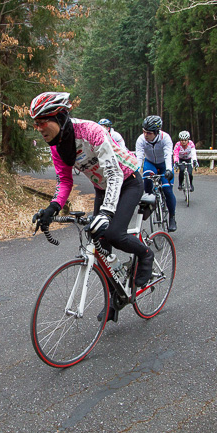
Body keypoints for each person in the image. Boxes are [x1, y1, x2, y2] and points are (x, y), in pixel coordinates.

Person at [29, 92, 153, 321]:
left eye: (42, 121)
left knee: (114, 233)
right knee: (100, 243)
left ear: (58, 117)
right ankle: (114, 300)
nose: (38, 127)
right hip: (102, 188)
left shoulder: (90, 131)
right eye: (35, 123)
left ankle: (146, 254)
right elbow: (65, 181)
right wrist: (52, 208)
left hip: (128, 181)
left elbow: (115, 173)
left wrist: (106, 213)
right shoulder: (56, 147)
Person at [135, 115, 177, 232]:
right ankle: (151, 203)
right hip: (150, 163)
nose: (145, 135)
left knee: (167, 190)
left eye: (149, 133)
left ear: (156, 132)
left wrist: (169, 170)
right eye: (144, 131)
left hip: (164, 164)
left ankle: (172, 217)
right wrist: (137, 170)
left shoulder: (165, 138)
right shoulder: (141, 140)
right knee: (147, 180)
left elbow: (168, 154)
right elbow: (139, 157)